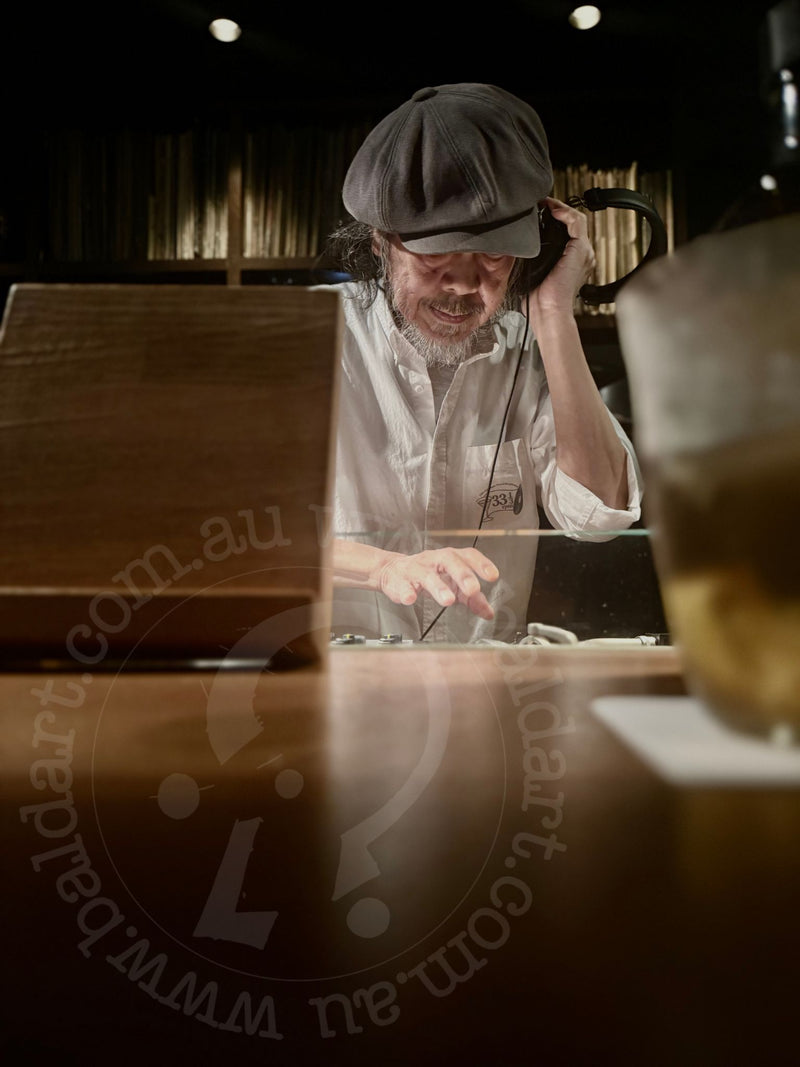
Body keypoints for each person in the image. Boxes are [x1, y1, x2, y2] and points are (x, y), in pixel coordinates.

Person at [322, 83, 642, 644]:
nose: (466, 284)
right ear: (379, 242)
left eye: (494, 254)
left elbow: (598, 517)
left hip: (487, 701)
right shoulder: (305, 340)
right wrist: (382, 567)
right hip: (332, 689)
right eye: (435, 254)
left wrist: (553, 316)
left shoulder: (532, 352)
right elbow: (212, 531)